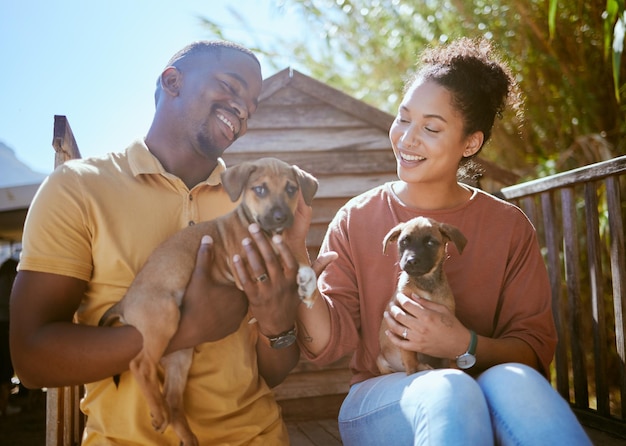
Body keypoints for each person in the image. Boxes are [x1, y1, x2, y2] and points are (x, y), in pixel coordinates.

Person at [242, 37, 592, 445]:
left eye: (430, 128)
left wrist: (462, 342)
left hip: (483, 383)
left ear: (470, 143)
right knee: (452, 389)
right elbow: (325, 344)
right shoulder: (357, 218)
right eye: (403, 118)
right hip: (383, 394)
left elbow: (532, 353)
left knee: (520, 383)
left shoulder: (509, 226)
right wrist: (299, 254)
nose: (407, 139)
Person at [9, 40, 310, 445]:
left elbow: (272, 372)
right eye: (231, 86)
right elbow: (31, 359)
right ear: (172, 81)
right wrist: (184, 329)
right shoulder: (79, 188)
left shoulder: (252, 201)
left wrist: (278, 326)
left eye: (252, 105)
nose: (243, 109)